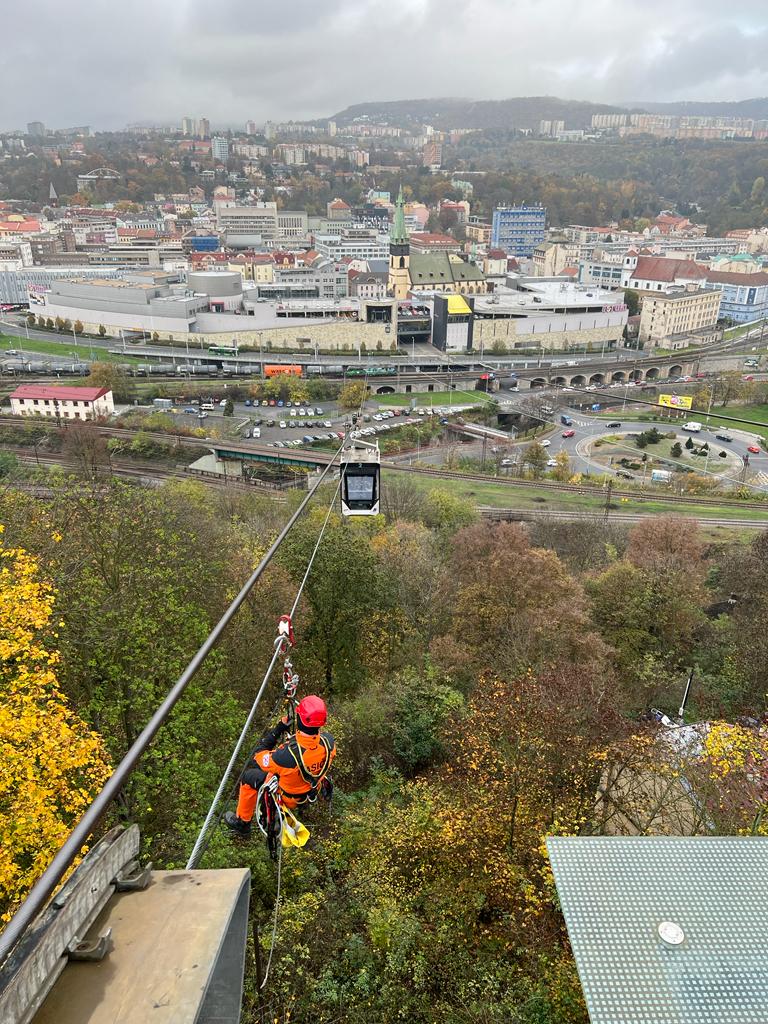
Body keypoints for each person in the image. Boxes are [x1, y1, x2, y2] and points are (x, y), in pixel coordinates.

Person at [224, 694, 336, 839]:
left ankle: (242, 822)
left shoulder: (286, 757)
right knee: (282, 772)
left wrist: (279, 728)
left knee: (248, 777)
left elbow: (259, 755)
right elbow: (310, 752)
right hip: (311, 789)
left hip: (288, 796)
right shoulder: (329, 743)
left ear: (300, 719)